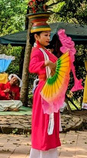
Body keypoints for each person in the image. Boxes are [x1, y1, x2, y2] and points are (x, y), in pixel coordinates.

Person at [29, 17, 61, 158]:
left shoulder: (45, 51)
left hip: (51, 88)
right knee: (45, 122)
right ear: (37, 36)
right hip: (44, 90)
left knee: (50, 122)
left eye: (49, 35)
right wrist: (46, 64)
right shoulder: (37, 51)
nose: (49, 37)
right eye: (45, 35)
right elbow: (32, 67)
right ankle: (42, 153)